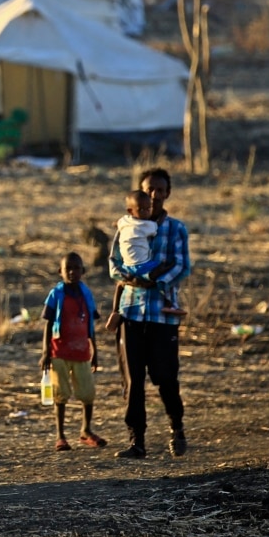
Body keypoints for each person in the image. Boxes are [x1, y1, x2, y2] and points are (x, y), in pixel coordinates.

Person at [108, 168, 192, 459]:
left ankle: (176, 427)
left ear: (168, 193)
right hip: (130, 312)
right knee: (132, 381)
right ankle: (136, 441)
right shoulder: (126, 226)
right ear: (140, 193)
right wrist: (129, 278)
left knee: (166, 377)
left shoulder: (176, 229)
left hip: (162, 315)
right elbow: (114, 262)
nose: (155, 195)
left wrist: (155, 279)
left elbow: (182, 266)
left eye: (160, 190)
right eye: (149, 190)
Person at [39, 252, 106, 452]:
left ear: (83, 271)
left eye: (76, 268)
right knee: (60, 394)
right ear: (60, 271)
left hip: (82, 351)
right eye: (67, 268)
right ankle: (60, 436)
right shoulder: (56, 294)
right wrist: (46, 351)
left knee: (87, 393)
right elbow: (48, 325)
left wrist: (95, 350)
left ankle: (86, 430)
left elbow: (90, 326)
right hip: (59, 351)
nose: (72, 272)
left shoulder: (87, 295)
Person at [110, 189, 183, 317]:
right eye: (142, 210)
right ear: (131, 210)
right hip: (141, 265)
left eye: (147, 209)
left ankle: (115, 311)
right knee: (160, 270)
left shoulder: (124, 221)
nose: (146, 212)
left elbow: (117, 223)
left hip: (127, 267)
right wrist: (163, 216)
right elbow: (158, 226)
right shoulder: (147, 225)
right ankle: (168, 302)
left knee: (120, 285)